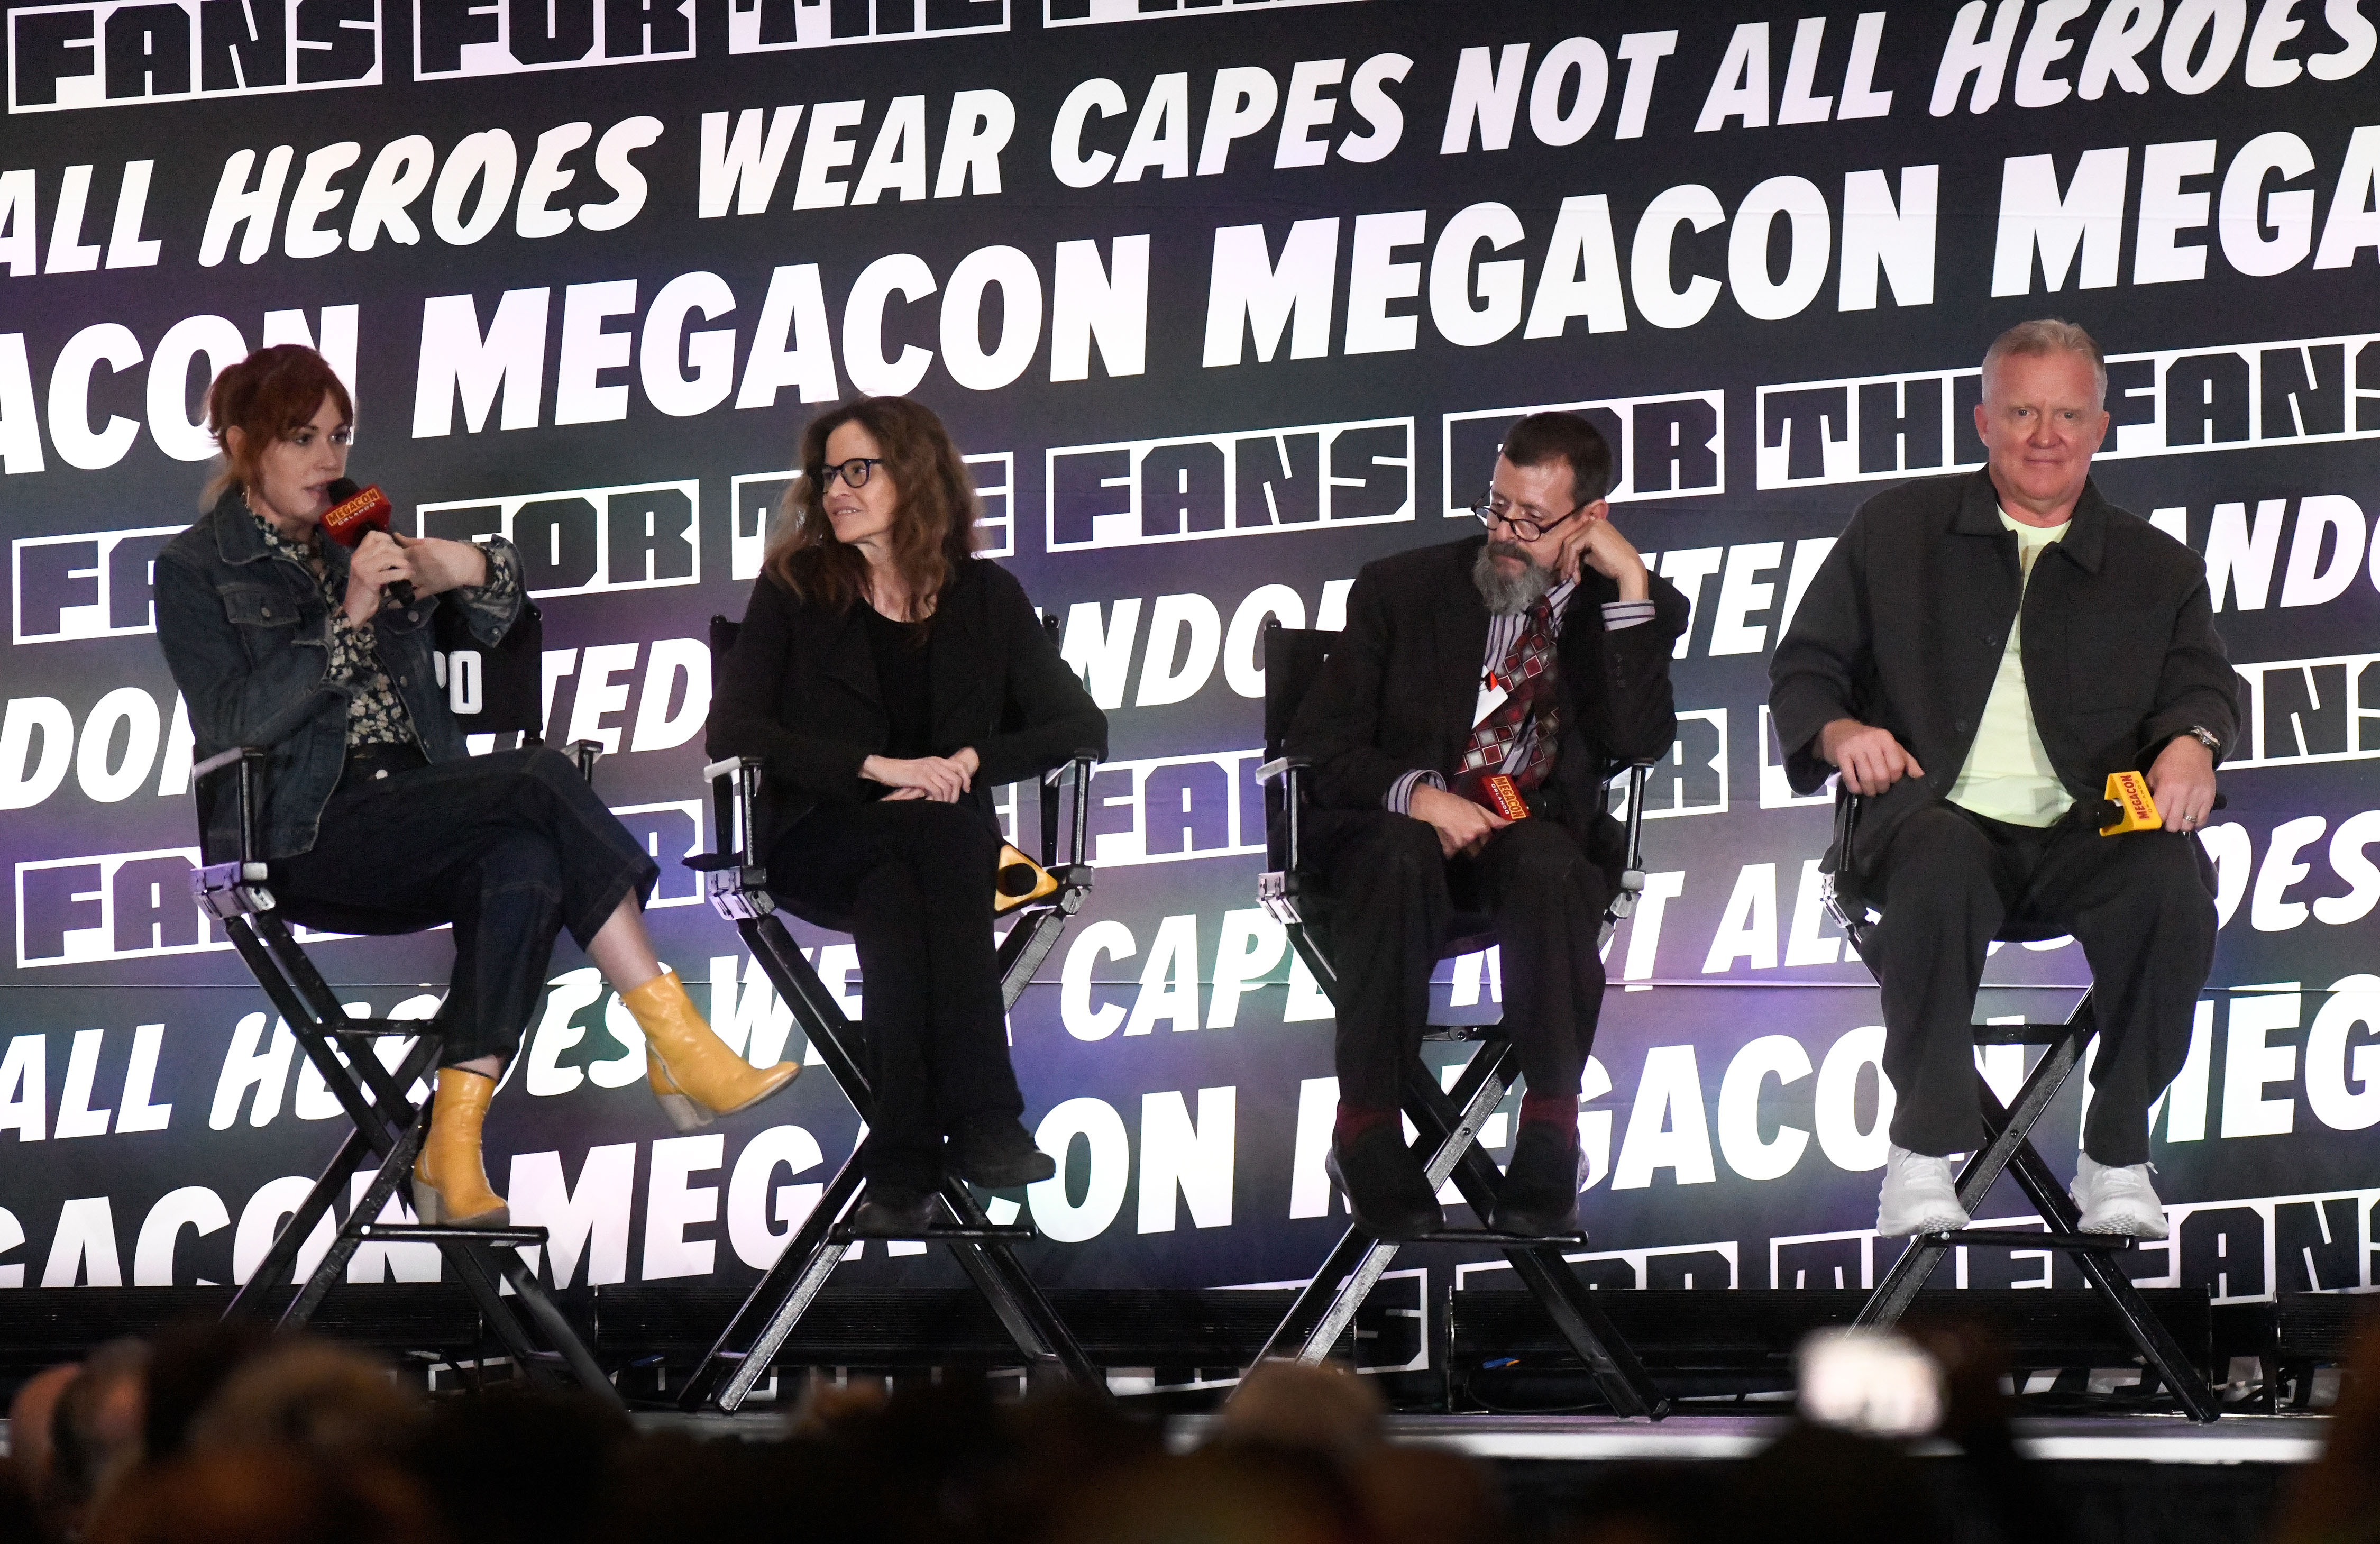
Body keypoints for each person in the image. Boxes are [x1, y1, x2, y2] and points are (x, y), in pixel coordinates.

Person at [155, 344, 794, 1229]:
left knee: (526, 858)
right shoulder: (196, 568)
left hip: (419, 809)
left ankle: (450, 1149)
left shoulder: (359, 532)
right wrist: (348, 620)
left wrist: (474, 568)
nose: (329, 459)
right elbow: (231, 721)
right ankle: (673, 1036)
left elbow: (497, 624)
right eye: (302, 439)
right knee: (537, 779)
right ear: (239, 443)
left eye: (339, 436)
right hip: (304, 831)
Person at [1768, 318, 2234, 1240]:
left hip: (2087, 832)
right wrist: (1842, 729)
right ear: (1984, 422)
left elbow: (2202, 688)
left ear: (2100, 428)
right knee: (1939, 857)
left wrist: (2193, 741)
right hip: (1929, 821)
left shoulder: (2162, 568)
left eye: (2068, 415)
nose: (2044, 436)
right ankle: (1921, 1149)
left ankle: (2117, 1151)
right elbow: (1806, 667)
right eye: (2022, 412)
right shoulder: (1894, 529)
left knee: (2171, 883)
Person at [706, 396, 1107, 1235]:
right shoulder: (794, 590)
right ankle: (987, 1119)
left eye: (858, 471)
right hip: (820, 838)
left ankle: (901, 1160)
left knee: (906, 880)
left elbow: (1080, 727)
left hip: (931, 860)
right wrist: (878, 768)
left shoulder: (986, 595)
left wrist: (968, 763)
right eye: (827, 476)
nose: (836, 492)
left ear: (916, 476)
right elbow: (735, 731)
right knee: (939, 839)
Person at [1285, 412, 1687, 1237]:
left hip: (1529, 828)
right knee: (1400, 854)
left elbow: (1638, 743)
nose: (1505, 534)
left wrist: (1630, 587)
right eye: (1497, 507)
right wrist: (1422, 795)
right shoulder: (1400, 590)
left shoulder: (1627, 608)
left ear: (1590, 519)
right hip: (1395, 836)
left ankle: (1550, 1137)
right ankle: (1366, 1131)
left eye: (1533, 520)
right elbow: (1319, 746)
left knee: (1549, 862)